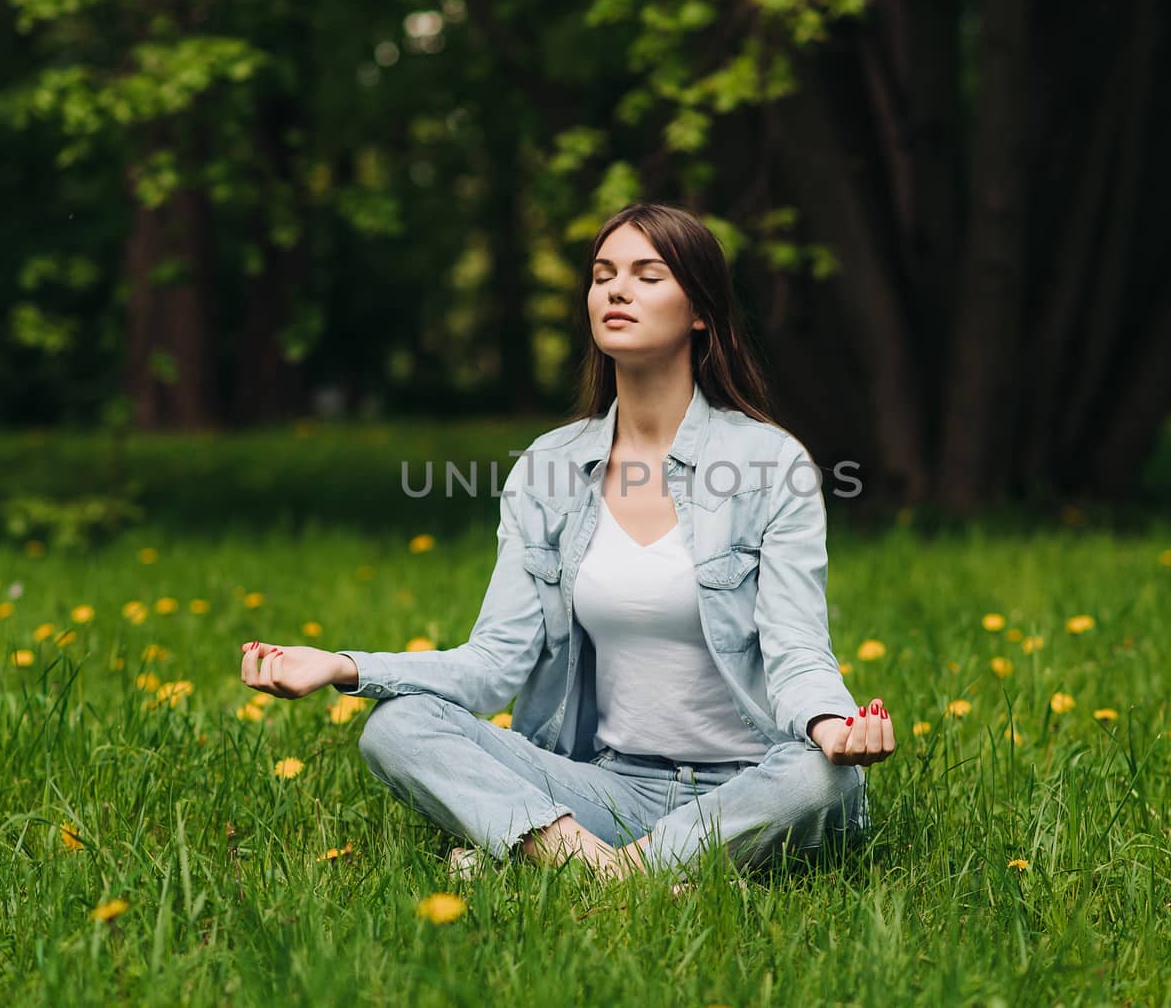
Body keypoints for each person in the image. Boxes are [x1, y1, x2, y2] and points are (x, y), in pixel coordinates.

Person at [238, 202, 895, 884]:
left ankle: (565, 866)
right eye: (604, 273)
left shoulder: (769, 464)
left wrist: (833, 727)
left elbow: (797, 655)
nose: (617, 289)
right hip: (608, 789)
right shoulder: (547, 470)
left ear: (700, 311)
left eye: (648, 274)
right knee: (395, 726)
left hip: (749, 788)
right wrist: (342, 666)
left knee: (823, 781)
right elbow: (495, 662)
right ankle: (623, 873)